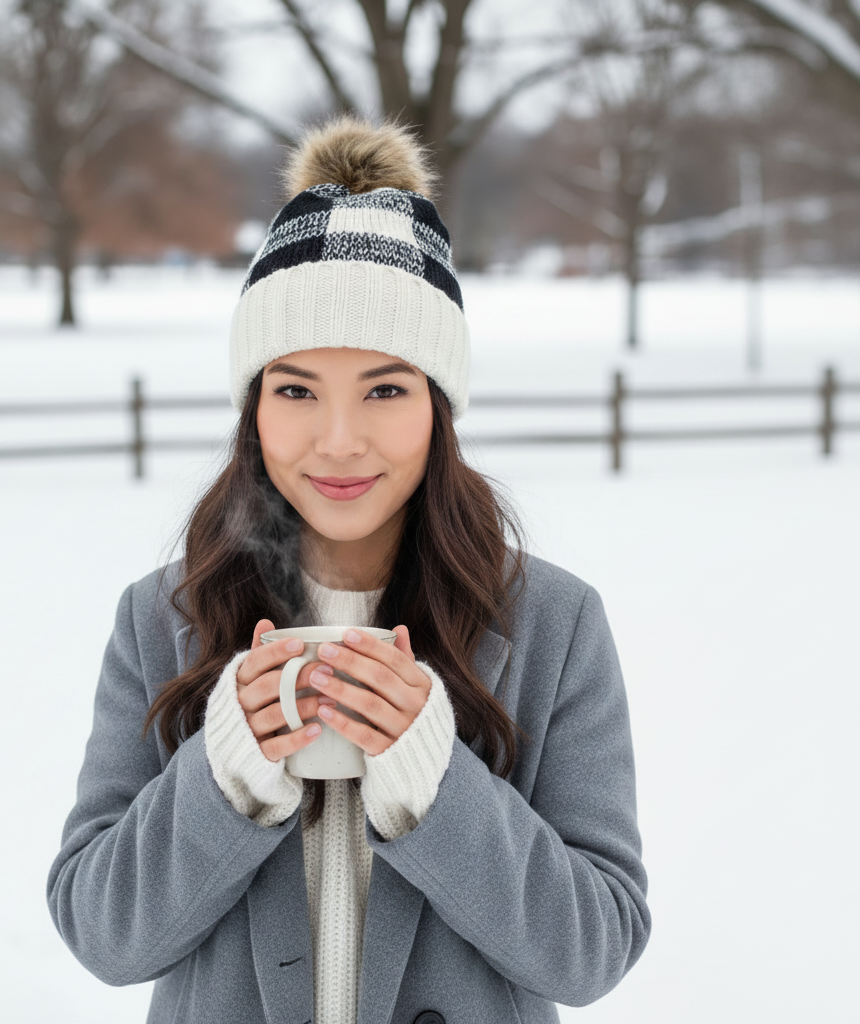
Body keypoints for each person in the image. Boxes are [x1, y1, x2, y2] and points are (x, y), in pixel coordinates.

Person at [47, 117, 650, 1024]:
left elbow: (594, 949)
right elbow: (102, 933)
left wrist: (435, 782)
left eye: (386, 390)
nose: (337, 441)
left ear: (439, 407)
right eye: (295, 390)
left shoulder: (551, 624)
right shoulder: (163, 617)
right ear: (253, 409)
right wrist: (225, 776)